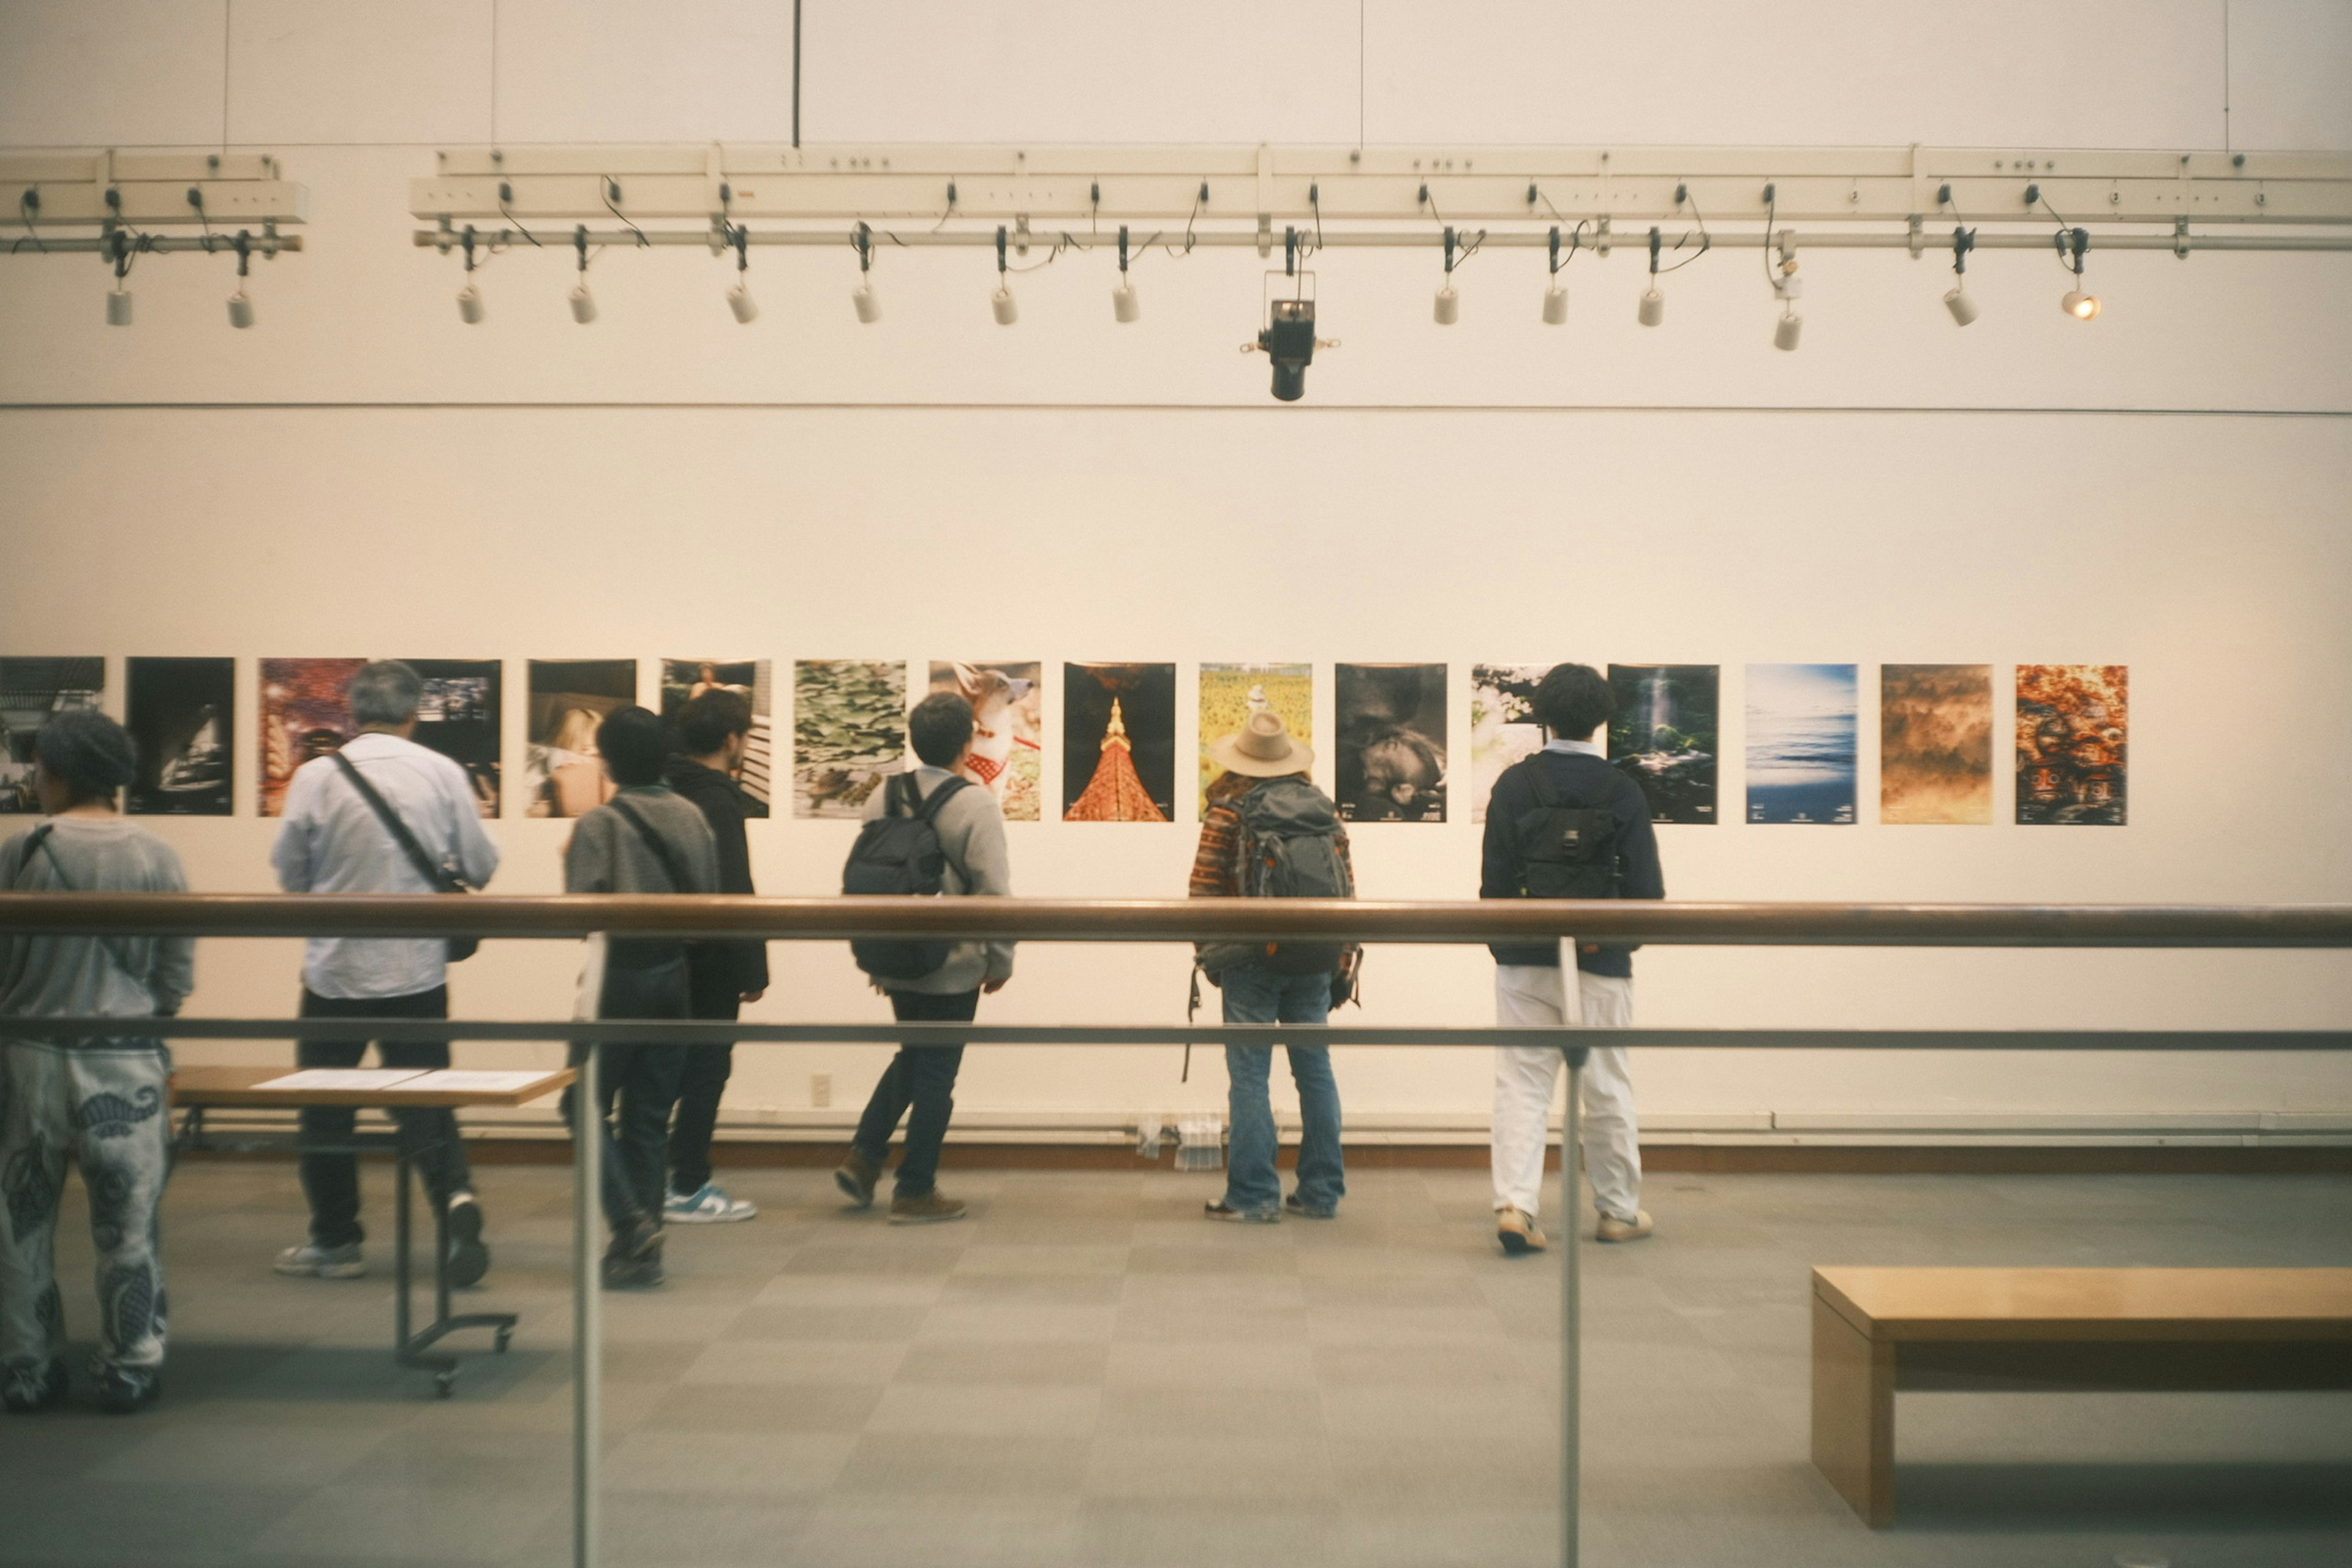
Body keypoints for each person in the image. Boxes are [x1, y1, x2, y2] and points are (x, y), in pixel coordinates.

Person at [271, 661, 500, 1284]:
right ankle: (455, 1198)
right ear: (413, 712)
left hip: (334, 972)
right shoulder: (443, 773)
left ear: (352, 711)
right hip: (417, 972)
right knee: (427, 1101)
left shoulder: (316, 776)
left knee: (325, 1110)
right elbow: (481, 866)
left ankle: (336, 1240)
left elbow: (290, 873)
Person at [0, 712, 192, 1415]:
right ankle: (129, 1364)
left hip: (29, 1056)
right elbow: (176, 974)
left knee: (21, 1222)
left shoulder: (21, 852)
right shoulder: (155, 855)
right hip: (124, 1060)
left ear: (54, 770)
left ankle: (27, 1365)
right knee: (126, 1222)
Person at [1480, 662, 1665, 1254]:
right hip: (1603, 965)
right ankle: (1617, 1210)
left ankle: (1517, 1206)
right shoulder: (1624, 790)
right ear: (1601, 718)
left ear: (1543, 716)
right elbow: (1648, 895)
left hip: (1525, 962)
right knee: (1607, 1086)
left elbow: (1494, 887)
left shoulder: (1514, 786)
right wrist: (1609, 945)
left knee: (1523, 1084)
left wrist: (1513, 949)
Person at [833, 693, 1013, 1226]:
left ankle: (864, 1157)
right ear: (966, 743)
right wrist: (1000, 962)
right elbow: (994, 893)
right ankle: (915, 1188)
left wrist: (878, 960)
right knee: (937, 1072)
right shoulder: (976, 803)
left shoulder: (882, 795)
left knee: (912, 1056)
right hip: (950, 964)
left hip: (893, 956)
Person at [563, 705, 719, 1287]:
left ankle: (629, 1219)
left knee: (579, 1103)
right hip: (673, 974)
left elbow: (580, 914)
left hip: (616, 977)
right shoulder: (691, 816)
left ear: (608, 760)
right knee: (650, 1117)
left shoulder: (598, 825)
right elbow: (707, 910)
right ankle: (643, 1254)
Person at [1189, 710, 1352, 1223]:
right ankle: (1321, 1193)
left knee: (1250, 1077)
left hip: (1249, 958)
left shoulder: (1227, 812)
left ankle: (1254, 1195)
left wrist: (1211, 957)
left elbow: (1201, 893)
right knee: (1316, 1073)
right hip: (1315, 956)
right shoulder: (1323, 812)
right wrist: (1341, 960)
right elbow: (1348, 891)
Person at [660, 690, 768, 1224]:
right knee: (707, 1069)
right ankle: (688, 1182)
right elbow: (734, 889)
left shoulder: (661, 788)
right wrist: (753, 969)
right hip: (713, 961)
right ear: (732, 739)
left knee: (663, 1068)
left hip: (660, 956)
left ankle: (654, 1174)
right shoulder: (719, 799)